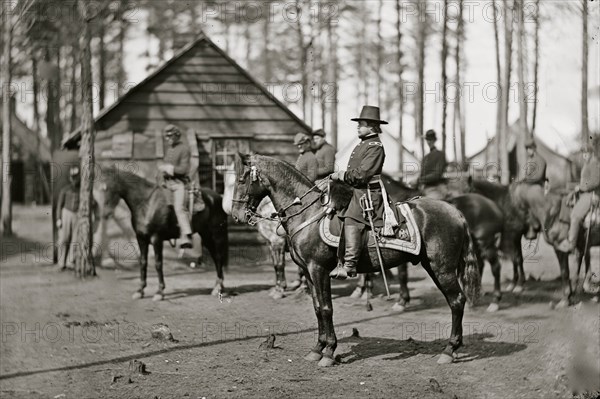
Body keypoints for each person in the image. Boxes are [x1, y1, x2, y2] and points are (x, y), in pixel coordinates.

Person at [329, 105, 388, 280]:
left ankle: (350, 264)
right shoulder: (363, 144)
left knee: (351, 216)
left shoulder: (375, 146)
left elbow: (362, 175)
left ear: (371, 126)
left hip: (368, 193)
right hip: (357, 190)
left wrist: (341, 175)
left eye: (361, 124)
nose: (357, 127)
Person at [159, 124, 194, 249]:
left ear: (176, 136)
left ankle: (186, 236)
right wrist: (163, 175)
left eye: (170, 136)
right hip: (167, 184)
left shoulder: (184, 149)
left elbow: (184, 169)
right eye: (166, 137)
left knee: (180, 208)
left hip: (179, 184)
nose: (167, 139)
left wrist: (169, 168)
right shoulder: (169, 150)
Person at [560, 145, 599, 252]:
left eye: (587, 153)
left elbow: (595, 181)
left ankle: (571, 244)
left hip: (591, 194)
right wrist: (575, 187)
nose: (585, 155)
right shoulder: (587, 164)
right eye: (584, 153)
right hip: (584, 193)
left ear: (592, 153)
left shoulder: (594, 163)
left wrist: (581, 187)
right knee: (565, 202)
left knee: (575, 215)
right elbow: (585, 180)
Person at [513, 138, 547, 232]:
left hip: (537, 185)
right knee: (517, 192)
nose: (528, 151)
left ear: (534, 148)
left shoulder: (540, 160)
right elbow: (527, 175)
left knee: (530, 195)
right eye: (527, 149)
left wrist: (525, 180)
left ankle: (535, 223)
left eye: (530, 148)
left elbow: (538, 177)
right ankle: (522, 218)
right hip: (529, 185)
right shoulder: (529, 160)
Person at [418, 129, 448, 200]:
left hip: (437, 188)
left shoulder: (440, 155)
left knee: (429, 203)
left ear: (434, 140)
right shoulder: (425, 157)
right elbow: (422, 173)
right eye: (428, 140)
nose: (429, 142)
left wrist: (419, 180)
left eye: (431, 140)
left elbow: (437, 174)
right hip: (425, 188)